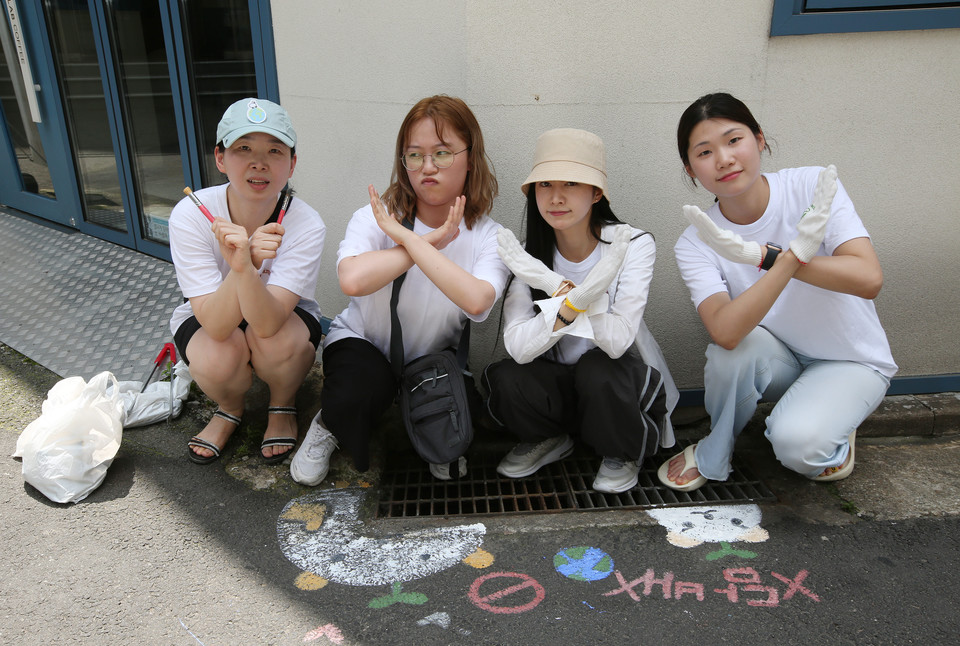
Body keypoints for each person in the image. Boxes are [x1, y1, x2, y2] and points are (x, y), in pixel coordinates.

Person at [658, 92, 897, 492]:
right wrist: (784, 260)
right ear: (691, 169)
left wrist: (770, 258)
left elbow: (867, 278)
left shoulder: (811, 186)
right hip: (778, 358)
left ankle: (829, 431)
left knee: (798, 449)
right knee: (729, 354)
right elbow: (725, 331)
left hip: (850, 359)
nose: (724, 159)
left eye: (734, 140)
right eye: (705, 152)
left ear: (759, 139)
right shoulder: (696, 241)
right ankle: (716, 447)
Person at [290, 95, 509, 485]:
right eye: (414, 155)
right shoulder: (378, 216)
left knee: (460, 429)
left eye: (442, 154)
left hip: (430, 361)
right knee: (354, 393)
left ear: (470, 158)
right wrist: (421, 242)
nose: (427, 167)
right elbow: (352, 280)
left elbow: (477, 302)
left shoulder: (489, 236)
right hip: (364, 343)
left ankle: (428, 423)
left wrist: (419, 242)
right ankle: (329, 422)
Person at [483, 128, 678, 493]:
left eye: (572, 183)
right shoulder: (527, 258)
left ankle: (621, 450)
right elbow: (520, 347)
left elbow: (618, 341)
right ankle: (551, 438)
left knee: (598, 368)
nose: (556, 197)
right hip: (559, 382)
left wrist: (568, 300)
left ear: (597, 192)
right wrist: (560, 291)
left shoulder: (631, 244)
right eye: (544, 185)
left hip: (617, 384)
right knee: (509, 377)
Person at [169, 98, 325, 466]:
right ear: (220, 159)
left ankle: (282, 403)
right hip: (215, 314)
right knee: (215, 356)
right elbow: (218, 325)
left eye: (274, 150)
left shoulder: (304, 223)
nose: (259, 162)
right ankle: (228, 408)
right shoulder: (191, 215)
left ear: (292, 164)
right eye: (243, 149)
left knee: (276, 342)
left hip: (276, 316)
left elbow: (268, 322)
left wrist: (244, 267)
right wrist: (245, 264)